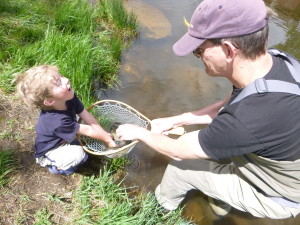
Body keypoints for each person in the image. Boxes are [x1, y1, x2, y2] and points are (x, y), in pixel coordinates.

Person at [116, 0, 300, 219]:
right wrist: (175, 121)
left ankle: (155, 212)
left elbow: (177, 151)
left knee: (181, 169)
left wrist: (140, 133)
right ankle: (221, 199)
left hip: (279, 197)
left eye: (199, 51)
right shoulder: (277, 61)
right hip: (278, 164)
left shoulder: (247, 118)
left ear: (228, 51)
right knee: (215, 147)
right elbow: (227, 106)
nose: (199, 57)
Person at [16, 65, 116, 175]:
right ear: (50, 101)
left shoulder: (69, 97)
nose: (66, 80)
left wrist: (104, 134)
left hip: (63, 136)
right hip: (51, 150)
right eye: (58, 83)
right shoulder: (57, 121)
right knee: (81, 155)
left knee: (84, 125)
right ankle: (56, 168)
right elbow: (87, 130)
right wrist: (107, 139)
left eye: (61, 76)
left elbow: (86, 116)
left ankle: (71, 141)